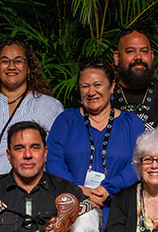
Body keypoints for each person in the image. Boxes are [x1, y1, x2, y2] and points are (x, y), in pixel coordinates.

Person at [45, 57, 146, 221]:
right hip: (72, 211)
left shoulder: (132, 124)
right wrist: (79, 190)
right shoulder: (66, 120)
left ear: (112, 86)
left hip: (120, 212)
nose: (91, 92)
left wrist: (108, 189)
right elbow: (53, 161)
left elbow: (139, 164)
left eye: (97, 85)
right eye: (85, 86)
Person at [0, 38, 64, 180]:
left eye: (18, 61)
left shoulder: (51, 107)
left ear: (29, 68)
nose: (11, 66)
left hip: (34, 196)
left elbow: (60, 157)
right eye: (4, 61)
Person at [110, 26, 158, 128]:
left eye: (144, 51)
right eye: (130, 51)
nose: (138, 57)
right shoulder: (103, 98)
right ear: (117, 57)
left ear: (152, 56)